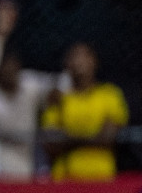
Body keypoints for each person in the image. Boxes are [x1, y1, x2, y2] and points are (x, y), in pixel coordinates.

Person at [0, 0, 60, 182]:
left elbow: (60, 85)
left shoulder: (29, 85)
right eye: (3, 63)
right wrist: (0, 35)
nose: (9, 69)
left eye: (13, 63)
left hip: (20, 174)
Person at [41, 42, 128, 182]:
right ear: (66, 64)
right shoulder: (58, 99)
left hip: (100, 178)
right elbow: (51, 144)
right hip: (64, 179)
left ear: (94, 61)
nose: (79, 61)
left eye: (84, 56)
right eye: (74, 57)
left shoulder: (110, 95)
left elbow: (107, 139)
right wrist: (92, 137)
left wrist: (68, 139)